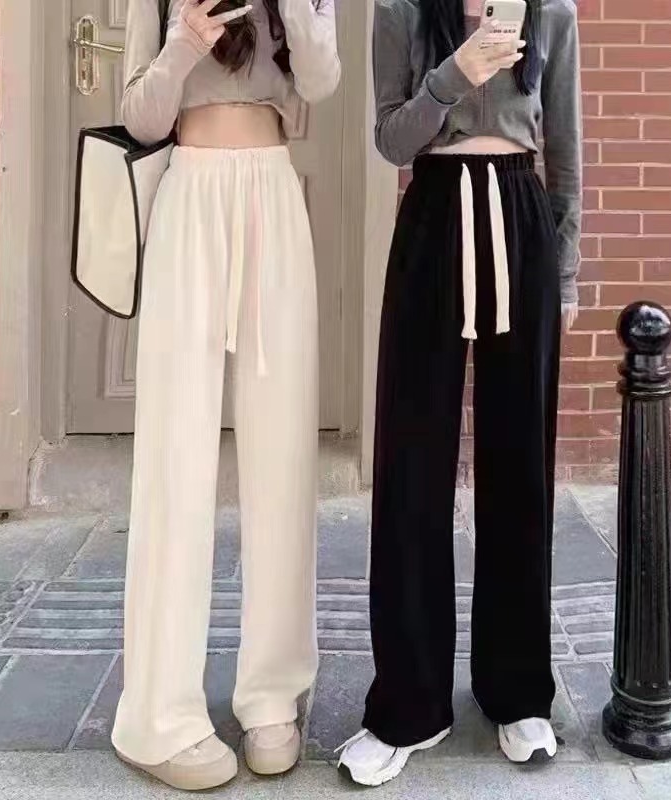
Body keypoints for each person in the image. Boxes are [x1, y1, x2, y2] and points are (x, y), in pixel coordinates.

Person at [337, 0, 581, 786]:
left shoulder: (552, 13)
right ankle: (408, 705)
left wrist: (566, 274)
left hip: (520, 219)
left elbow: (565, 150)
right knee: (411, 465)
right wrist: (454, 75)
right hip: (434, 215)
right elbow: (391, 140)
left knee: (519, 465)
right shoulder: (402, 10)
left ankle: (518, 693)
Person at [110, 0, 340, 791]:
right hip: (191, 194)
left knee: (282, 451)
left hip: (273, 193)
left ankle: (272, 695)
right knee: (175, 453)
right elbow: (140, 117)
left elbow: (322, 82)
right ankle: (158, 714)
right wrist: (181, 46)